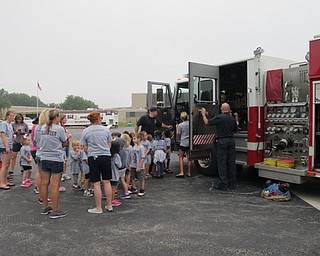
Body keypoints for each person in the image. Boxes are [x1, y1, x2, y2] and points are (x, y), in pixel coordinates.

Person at [80, 111, 113, 214]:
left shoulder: (86, 131)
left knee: (96, 183)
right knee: (107, 181)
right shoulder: (105, 130)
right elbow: (109, 144)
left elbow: (84, 147)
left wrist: (90, 151)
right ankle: (109, 204)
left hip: (93, 156)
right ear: (99, 119)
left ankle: (98, 207)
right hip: (106, 156)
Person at [201, 103, 238, 190]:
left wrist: (203, 114)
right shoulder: (232, 119)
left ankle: (223, 184)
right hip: (231, 141)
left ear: (221, 109)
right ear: (229, 109)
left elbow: (207, 122)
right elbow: (236, 130)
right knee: (231, 163)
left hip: (222, 141)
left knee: (222, 163)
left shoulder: (219, 117)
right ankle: (232, 183)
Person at [39, 109, 68, 219]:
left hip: (44, 158)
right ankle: (55, 210)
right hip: (56, 158)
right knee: (55, 185)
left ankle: (46, 206)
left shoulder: (42, 128)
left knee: (44, 183)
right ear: (56, 117)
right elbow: (64, 142)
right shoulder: (59, 129)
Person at [0, 111, 15, 189]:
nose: (12, 117)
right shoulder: (4, 124)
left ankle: (5, 181)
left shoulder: (10, 125)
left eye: (13, 116)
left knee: (7, 164)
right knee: (4, 165)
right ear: (7, 116)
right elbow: (2, 135)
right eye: (11, 116)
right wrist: (6, 146)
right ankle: (1, 182)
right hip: (4, 146)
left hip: (10, 145)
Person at [176, 112, 192, 178]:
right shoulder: (190, 124)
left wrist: (177, 127)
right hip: (190, 142)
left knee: (180, 157)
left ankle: (181, 172)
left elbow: (178, 133)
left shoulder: (180, 125)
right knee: (189, 158)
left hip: (183, 143)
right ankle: (189, 172)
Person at [60, 114, 72, 182]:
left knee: (66, 159)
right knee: (62, 160)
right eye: (64, 118)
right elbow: (63, 136)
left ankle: (64, 173)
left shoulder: (64, 127)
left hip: (67, 144)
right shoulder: (60, 127)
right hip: (62, 146)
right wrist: (68, 136)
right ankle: (60, 174)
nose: (66, 119)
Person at [119, 133, 132, 199]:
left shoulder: (121, 149)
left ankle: (116, 189)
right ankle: (127, 187)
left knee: (120, 178)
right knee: (126, 175)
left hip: (121, 165)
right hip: (126, 164)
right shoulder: (130, 147)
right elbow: (131, 156)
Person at [110, 140, 122, 207]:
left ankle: (110, 199)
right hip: (114, 174)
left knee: (109, 187)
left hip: (108, 174)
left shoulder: (108, 155)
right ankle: (112, 200)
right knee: (113, 188)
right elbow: (119, 165)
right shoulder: (116, 156)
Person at [31, 116, 40, 194]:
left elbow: (33, 138)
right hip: (38, 149)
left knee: (38, 169)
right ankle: (38, 186)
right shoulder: (38, 127)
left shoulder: (34, 127)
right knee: (40, 170)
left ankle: (38, 186)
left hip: (35, 149)